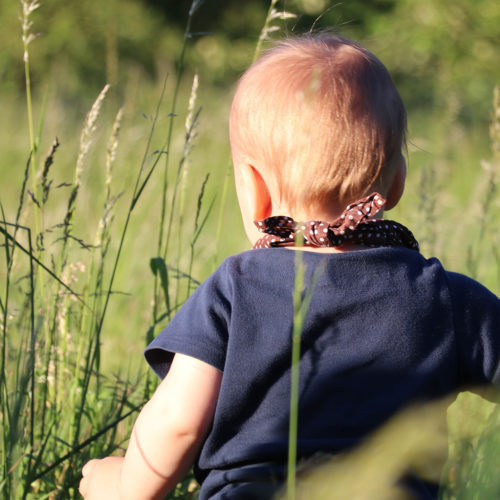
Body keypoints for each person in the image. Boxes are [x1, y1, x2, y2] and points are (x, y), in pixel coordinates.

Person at [79, 34, 500, 500]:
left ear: (254, 188)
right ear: (397, 182)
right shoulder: (444, 297)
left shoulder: (236, 288)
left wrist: (120, 487)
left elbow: (177, 424)